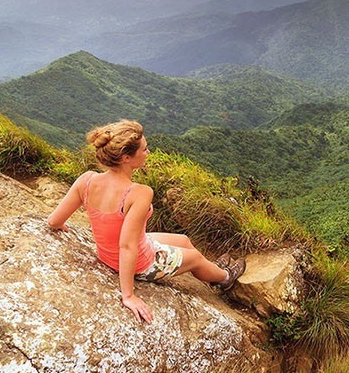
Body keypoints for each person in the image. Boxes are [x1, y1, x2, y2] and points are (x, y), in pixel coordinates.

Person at [48, 119, 245, 324]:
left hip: (109, 254)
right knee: (194, 257)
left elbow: (54, 221)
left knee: (184, 241)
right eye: (144, 149)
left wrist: (62, 226)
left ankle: (211, 271)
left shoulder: (86, 180)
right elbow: (127, 246)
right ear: (126, 158)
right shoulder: (138, 193)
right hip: (141, 263)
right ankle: (224, 278)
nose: (148, 152)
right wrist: (128, 296)